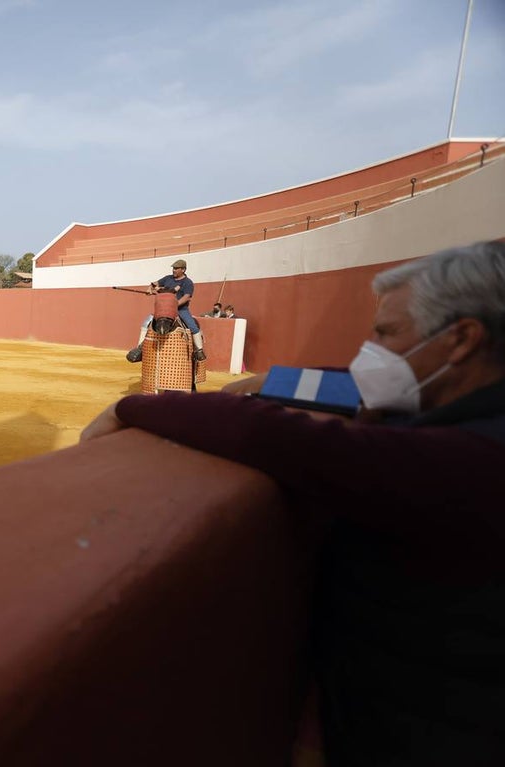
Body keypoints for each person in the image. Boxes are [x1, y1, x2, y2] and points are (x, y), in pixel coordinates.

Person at [82, 241, 505, 765]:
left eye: (387, 334)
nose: (368, 350)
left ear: (462, 339)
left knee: (190, 329)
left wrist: (138, 406)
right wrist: (273, 381)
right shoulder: (463, 411)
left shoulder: (477, 457)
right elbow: (352, 388)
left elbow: (292, 441)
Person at [125, 259, 205, 363]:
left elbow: (186, 297)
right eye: (173, 268)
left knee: (193, 327)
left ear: (183, 270)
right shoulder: (168, 278)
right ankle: (140, 349)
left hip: (180, 309)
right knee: (146, 323)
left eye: (176, 268)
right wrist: (150, 289)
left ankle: (199, 350)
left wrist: (173, 305)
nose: (174, 270)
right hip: (163, 309)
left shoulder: (188, 282)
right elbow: (154, 284)